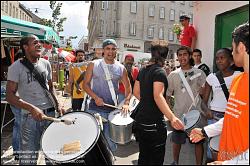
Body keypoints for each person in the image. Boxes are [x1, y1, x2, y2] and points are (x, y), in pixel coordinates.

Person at [190, 22, 249, 165]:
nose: (232, 51)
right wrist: (205, 131)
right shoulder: (239, 80)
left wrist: (230, 163)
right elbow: (231, 118)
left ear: (240, 47)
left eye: (232, 48)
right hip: (226, 155)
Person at [6, 35, 65, 165]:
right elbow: (9, 96)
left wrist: (57, 104)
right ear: (25, 47)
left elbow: (50, 87)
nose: (39, 45)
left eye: (39, 42)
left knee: (53, 156)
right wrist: (31, 108)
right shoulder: (15, 67)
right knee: (28, 159)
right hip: (29, 119)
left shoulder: (46, 63)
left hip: (50, 115)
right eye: (35, 43)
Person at [133, 40, 184, 165]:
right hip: (154, 124)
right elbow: (158, 96)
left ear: (151, 53)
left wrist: (147, 102)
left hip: (141, 122)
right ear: (165, 55)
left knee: (144, 156)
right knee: (155, 159)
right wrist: (172, 118)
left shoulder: (143, 70)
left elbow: (136, 92)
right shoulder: (159, 72)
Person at [82, 39, 132, 152]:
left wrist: (126, 103)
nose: (111, 51)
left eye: (113, 49)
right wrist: (95, 97)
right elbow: (85, 84)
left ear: (116, 51)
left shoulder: (121, 68)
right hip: (94, 109)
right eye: (108, 48)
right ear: (103, 50)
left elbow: (128, 88)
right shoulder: (93, 64)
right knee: (94, 144)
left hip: (111, 111)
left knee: (111, 144)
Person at [166, 46, 207, 165]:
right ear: (177, 57)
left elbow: (204, 93)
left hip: (196, 115)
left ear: (190, 56)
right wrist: (170, 115)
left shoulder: (199, 73)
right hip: (179, 115)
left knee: (198, 142)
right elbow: (167, 96)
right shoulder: (173, 75)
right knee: (177, 141)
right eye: (180, 55)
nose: (182, 57)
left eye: (185, 54)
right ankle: (175, 162)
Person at [201, 48, 241, 162]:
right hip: (214, 116)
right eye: (217, 58)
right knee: (213, 148)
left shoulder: (240, 76)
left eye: (222, 58)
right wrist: (207, 111)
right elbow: (203, 102)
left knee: (232, 147)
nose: (219, 61)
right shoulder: (211, 77)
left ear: (231, 61)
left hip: (233, 116)